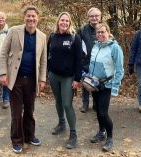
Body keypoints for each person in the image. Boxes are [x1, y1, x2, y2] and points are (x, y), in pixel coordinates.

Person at [0, 6, 47, 154]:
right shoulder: (14, 31)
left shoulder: (42, 36)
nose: (31, 19)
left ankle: (29, 136)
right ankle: (17, 140)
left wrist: (42, 79)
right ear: (24, 17)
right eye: (28, 16)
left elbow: (44, 60)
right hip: (15, 79)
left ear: (37, 19)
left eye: (33, 16)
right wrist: (3, 74)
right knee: (16, 112)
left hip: (32, 80)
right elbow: (3, 53)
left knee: (30, 111)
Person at [86, 23, 124, 152]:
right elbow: (92, 64)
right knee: (97, 110)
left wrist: (115, 87)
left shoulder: (115, 48)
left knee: (103, 112)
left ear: (108, 32)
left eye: (103, 32)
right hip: (94, 84)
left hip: (106, 85)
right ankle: (101, 132)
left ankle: (110, 138)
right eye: (98, 32)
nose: (100, 34)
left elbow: (120, 70)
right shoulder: (96, 46)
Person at [47, 12, 82, 149]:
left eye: (67, 21)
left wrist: (77, 79)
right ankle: (61, 123)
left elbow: (79, 60)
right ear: (58, 21)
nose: (64, 23)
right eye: (62, 20)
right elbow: (48, 54)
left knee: (67, 104)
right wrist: (48, 72)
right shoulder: (52, 36)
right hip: (54, 75)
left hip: (68, 78)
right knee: (58, 101)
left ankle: (73, 134)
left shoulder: (75, 37)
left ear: (70, 23)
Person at [77, 7, 102, 112]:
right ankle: (85, 104)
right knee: (86, 84)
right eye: (92, 16)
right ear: (88, 17)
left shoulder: (103, 28)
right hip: (86, 61)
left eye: (96, 16)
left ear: (100, 17)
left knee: (97, 83)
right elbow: (78, 46)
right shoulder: (82, 30)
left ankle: (96, 104)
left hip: (99, 62)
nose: (94, 18)